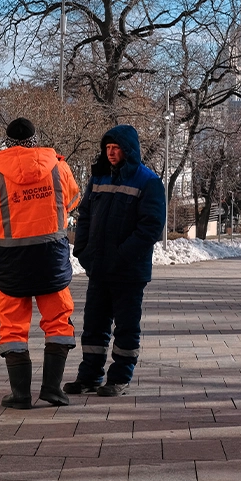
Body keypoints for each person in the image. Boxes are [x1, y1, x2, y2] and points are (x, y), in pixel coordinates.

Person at [0, 118, 81, 409]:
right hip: (51, 259)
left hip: (13, 262)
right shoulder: (57, 166)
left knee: (13, 327)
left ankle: (20, 395)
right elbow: (74, 200)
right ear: (33, 139)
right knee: (58, 321)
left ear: (7, 141)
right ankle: (52, 389)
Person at [65, 125, 166, 397]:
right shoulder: (99, 178)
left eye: (116, 148)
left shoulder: (148, 182)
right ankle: (89, 376)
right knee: (94, 326)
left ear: (128, 149)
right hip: (98, 268)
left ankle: (119, 377)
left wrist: (122, 256)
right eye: (107, 148)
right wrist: (82, 250)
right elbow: (84, 215)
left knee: (126, 327)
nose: (110, 153)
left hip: (128, 272)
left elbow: (151, 228)